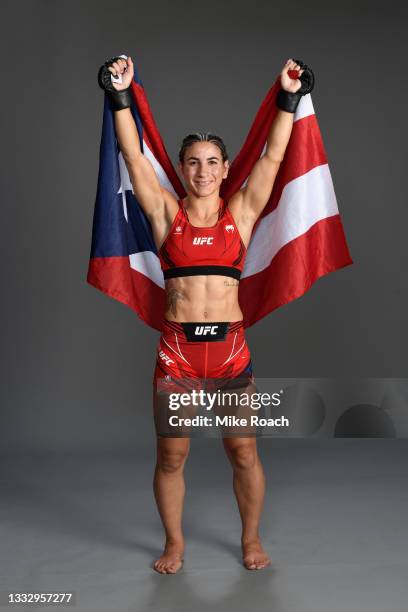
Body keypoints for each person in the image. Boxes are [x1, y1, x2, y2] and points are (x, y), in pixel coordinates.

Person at [97, 55, 313, 573]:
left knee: (244, 454)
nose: (203, 171)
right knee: (172, 458)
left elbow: (272, 158)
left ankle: (250, 540)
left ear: (224, 168)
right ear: (182, 168)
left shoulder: (241, 213)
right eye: (192, 162)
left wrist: (288, 96)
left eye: (213, 161)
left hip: (232, 354)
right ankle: (174, 544)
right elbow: (132, 154)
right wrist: (120, 93)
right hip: (179, 356)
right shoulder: (164, 212)